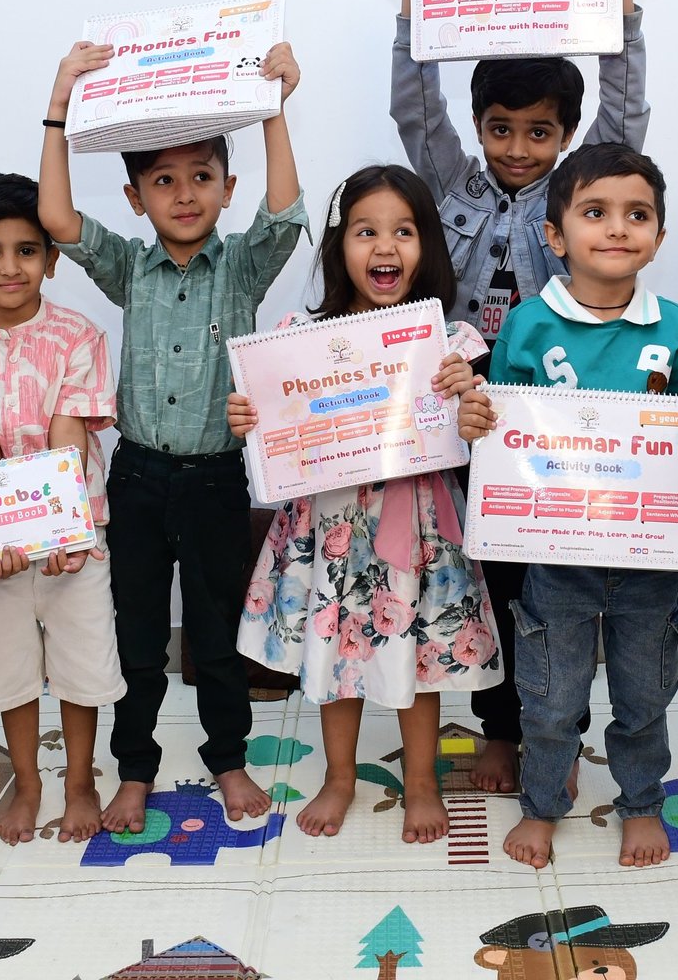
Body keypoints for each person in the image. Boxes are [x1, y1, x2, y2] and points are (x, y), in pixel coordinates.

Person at [382, 0, 650, 794]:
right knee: (481, 566)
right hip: (457, 402)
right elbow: (412, 105)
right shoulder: (451, 180)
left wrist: (624, 5)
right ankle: (502, 725)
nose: (517, 147)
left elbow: (624, 113)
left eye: (539, 132)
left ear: (566, 135)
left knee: (551, 571)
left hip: (551, 406)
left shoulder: (580, 195)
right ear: (477, 124)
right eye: (500, 128)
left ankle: (557, 733)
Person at [37, 40, 306, 833]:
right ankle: (135, 770)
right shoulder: (126, 268)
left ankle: (229, 761)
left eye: (201, 178)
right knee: (139, 638)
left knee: (219, 639)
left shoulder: (244, 268)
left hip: (221, 481)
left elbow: (286, 210)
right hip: (140, 479)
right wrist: (61, 99)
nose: (183, 194)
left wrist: (274, 107)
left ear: (227, 188)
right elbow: (56, 217)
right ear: (134, 195)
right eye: (163, 181)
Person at [457, 142, 678, 870]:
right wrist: (477, 424)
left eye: (637, 215)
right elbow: (502, 434)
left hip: (645, 561)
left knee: (645, 698)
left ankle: (641, 804)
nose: (616, 228)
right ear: (555, 234)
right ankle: (543, 805)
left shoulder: (671, 326)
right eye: (595, 212)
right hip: (556, 559)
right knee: (547, 699)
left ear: (658, 238)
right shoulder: (528, 327)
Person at [231, 165, 500, 844]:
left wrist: (469, 396)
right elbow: (276, 419)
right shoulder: (296, 338)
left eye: (403, 232)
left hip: (417, 527)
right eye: (366, 231)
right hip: (329, 527)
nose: (385, 247)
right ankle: (340, 776)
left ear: (427, 246)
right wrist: (249, 416)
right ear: (338, 245)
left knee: (418, 660)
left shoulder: (451, 344)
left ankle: (421, 782)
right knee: (333, 652)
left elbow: (478, 424)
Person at [0, 172, 126, 847]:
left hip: (76, 538)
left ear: (51, 256)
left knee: (81, 665)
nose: (9, 267)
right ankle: (28, 783)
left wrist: (64, 529)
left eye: (26, 250)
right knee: (8, 668)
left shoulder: (80, 336)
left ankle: (78, 781)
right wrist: (0, 540)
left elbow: (70, 430)